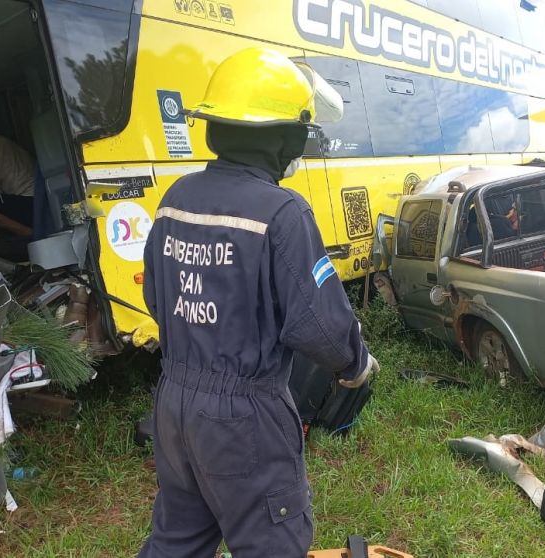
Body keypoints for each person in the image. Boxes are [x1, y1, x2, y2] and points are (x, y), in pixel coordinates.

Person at [138, 47, 378, 557]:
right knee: (273, 543)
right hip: (243, 417)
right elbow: (322, 327)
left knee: (177, 540)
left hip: (175, 405)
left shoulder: (175, 200)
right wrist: (356, 365)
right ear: (282, 137)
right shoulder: (282, 211)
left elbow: (158, 299)